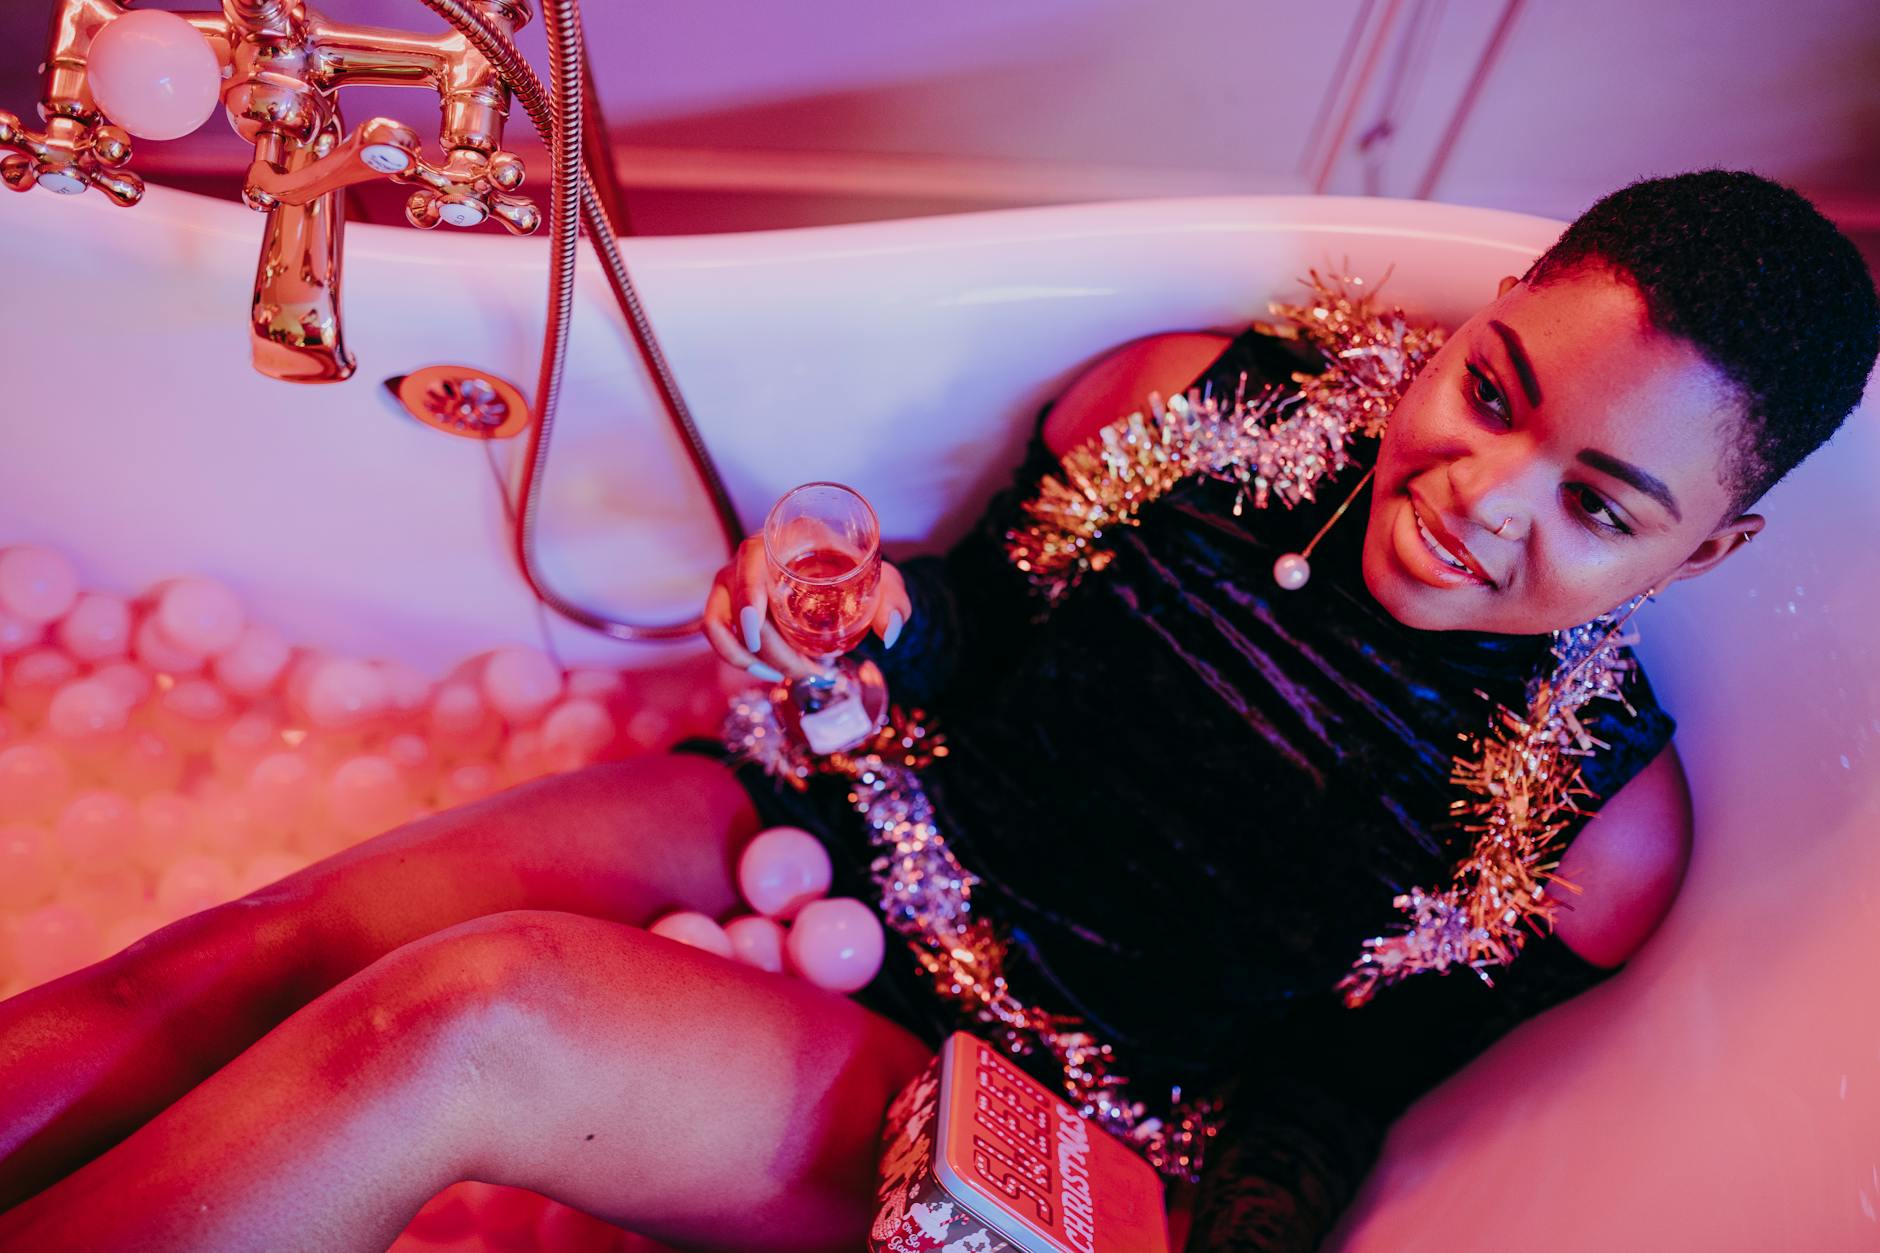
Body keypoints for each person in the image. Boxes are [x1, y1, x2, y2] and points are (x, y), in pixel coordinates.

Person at [0, 170, 1873, 1252]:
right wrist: (877, 624)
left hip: (1013, 1087)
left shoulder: (1590, 837)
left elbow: (1319, 1103)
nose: (1482, 492)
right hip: (838, 825)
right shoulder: (1206, 406)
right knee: (258, 943)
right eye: (1495, 386)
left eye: (1603, 504)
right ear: (1486, 316)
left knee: (470, 1019)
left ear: (1713, 552)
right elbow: (983, 626)